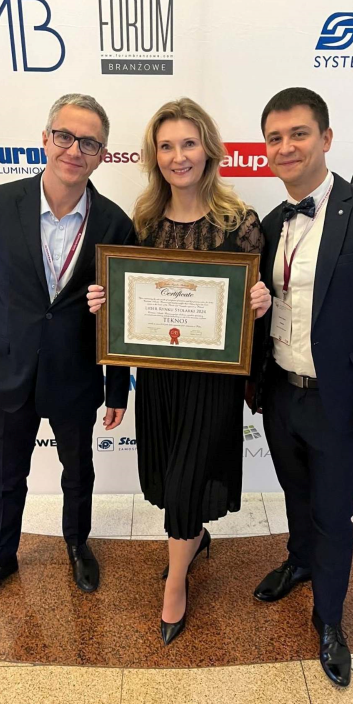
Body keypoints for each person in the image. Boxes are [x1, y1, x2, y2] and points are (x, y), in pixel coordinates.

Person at [88, 97, 271, 644]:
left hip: (213, 382)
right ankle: (190, 534)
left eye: (188, 143)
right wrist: (106, 303)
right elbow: (127, 313)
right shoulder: (140, 223)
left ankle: (176, 582)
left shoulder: (240, 224)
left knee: (190, 472)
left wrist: (260, 303)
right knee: (171, 476)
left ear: (208, 150)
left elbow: (253, 316)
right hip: (161, 379)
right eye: (166, 146)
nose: (178, 155)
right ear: (154, 156)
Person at [247, 87, 353, 687]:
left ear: (326, 138)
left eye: (298, 134)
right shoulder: (267, 224)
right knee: (296, 492)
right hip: (282, 393)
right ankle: (298, 562)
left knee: (335, 512)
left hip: (344, 400)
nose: (285, 147)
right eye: (274, 138)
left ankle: (330, 618)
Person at [0, 93, 134, 614]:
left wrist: (115, 388)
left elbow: (119, 316)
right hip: (6, 370)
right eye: (65, 136)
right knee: (7, 476)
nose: (74, 150)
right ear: (45, 138)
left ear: (102, 154)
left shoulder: (113, 222)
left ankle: (77, 544)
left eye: (89, 142)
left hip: (75, 376)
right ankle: (1, 557)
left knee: (78, 470)